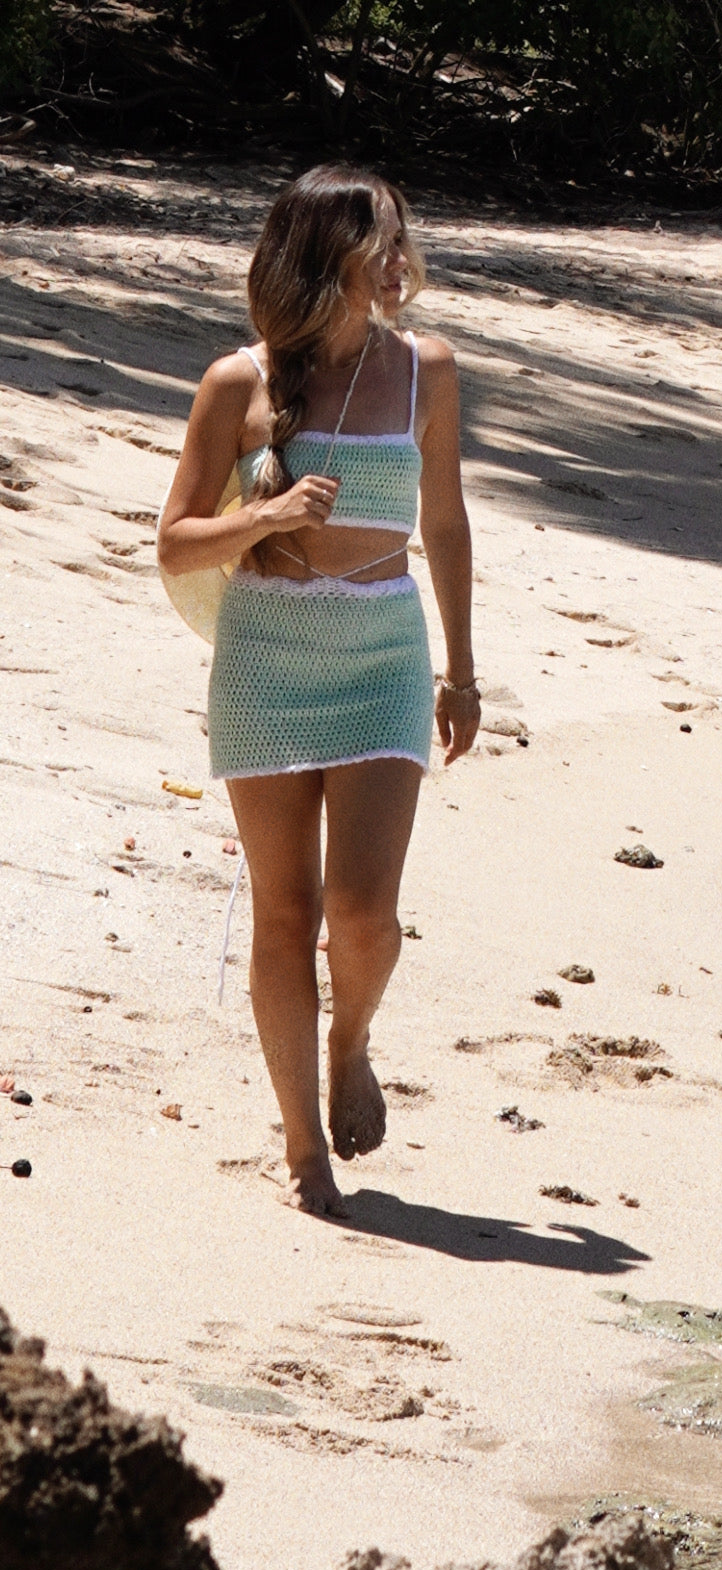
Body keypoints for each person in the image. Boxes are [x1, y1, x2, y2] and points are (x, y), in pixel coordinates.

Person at [157, 165, 479, 1217]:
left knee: (366, 916)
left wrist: (462, 671)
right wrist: (266, 514)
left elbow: (443, 526)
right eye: (378, 243)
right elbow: (174, 542)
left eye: (400, 240)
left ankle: (352, 1041)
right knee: (286, 915)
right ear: (320, 259)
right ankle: (303, 1150)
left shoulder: (427, 370)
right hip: (265, 660)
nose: (398, 262)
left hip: (384, 654)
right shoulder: (236, 384)